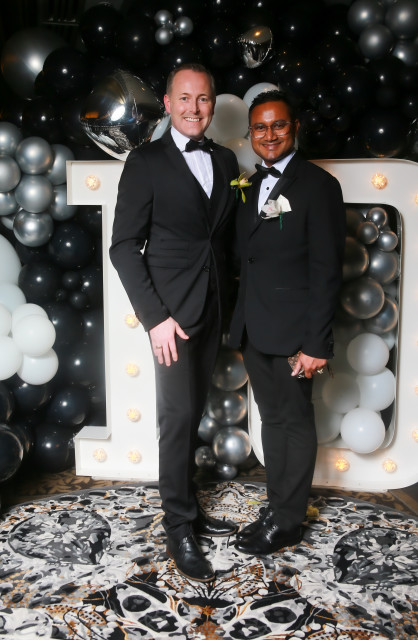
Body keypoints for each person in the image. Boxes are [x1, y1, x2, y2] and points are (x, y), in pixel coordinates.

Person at [109, 63, 239, 583]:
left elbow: (222, 239)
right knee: (177, 417)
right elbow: (123, 247)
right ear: (167, 104)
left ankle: (188, 507)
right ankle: (179, 527)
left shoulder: (226, 159)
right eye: (184, 98)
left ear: (213, 104)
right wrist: (155, 318)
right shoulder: (145, 162)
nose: (193, 108)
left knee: (192, 414)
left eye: (203, 99)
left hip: (213, 308)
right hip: (170, 316)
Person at [229, 90, 346, 556]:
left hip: (296, 334)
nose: (269, 134)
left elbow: (327, 269)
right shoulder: (248, 185)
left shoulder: (319, 186)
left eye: (278, 125)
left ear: (294, 127)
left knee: (294, 423)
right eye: (260, 127)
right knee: (273, 422)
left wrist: (316, 342)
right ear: (251, 134)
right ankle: (280, 506)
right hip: (255, 329)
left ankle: (289, 522)